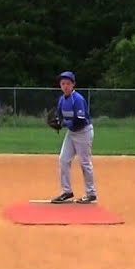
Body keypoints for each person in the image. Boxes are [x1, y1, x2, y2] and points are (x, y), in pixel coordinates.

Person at [50, 71, 97, 204]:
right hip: (72, 133)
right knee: (63, 160)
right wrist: (58, 122)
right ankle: (67, 191)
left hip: (84, 133)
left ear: (73, 85)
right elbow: (60, 116)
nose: (65, 86)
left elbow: (80, 121)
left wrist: (64, 123)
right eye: (63, 83)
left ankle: (91, 193)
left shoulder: (77, 99)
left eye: (68, 83)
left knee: (85, 163)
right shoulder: (61, 100)